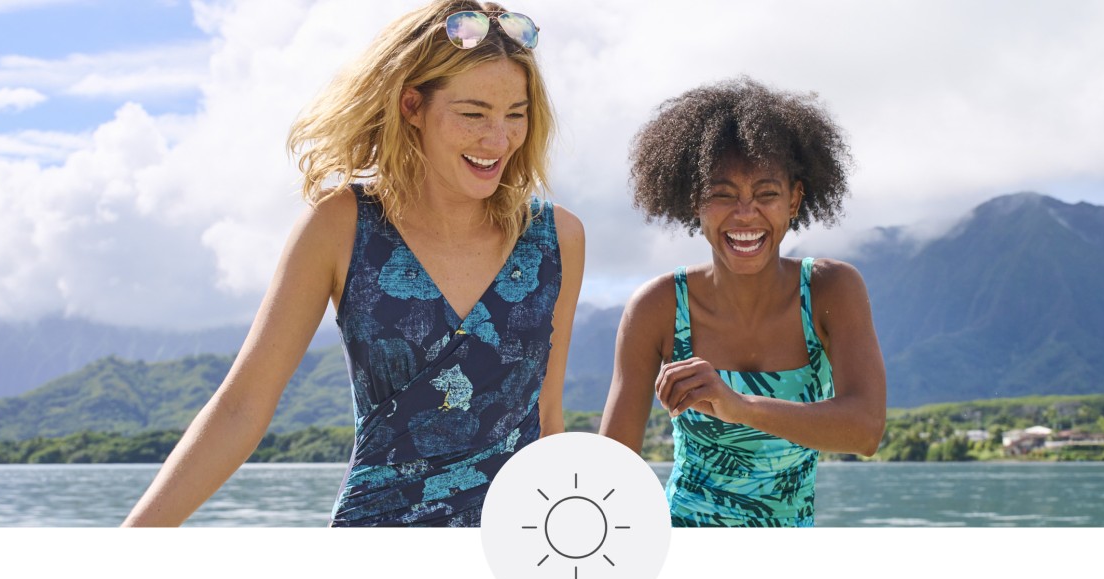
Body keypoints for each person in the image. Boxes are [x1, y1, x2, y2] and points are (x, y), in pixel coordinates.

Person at [124, 1, 584, 527]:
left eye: (516, 115)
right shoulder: (340, 226)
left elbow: (547, 421)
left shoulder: (556, 238)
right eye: (474, 114)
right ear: (412, 105)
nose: (499, 139)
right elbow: (241, 409)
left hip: (514, 556)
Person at [599, 77, 884, 527]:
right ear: (694, 201)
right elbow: (609, 473)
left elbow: (865, 430)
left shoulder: (832, 290)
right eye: (722, 194)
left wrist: (739, 407)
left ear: (795, 199)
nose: (746, 214)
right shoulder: (658, 307)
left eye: (767, 194)